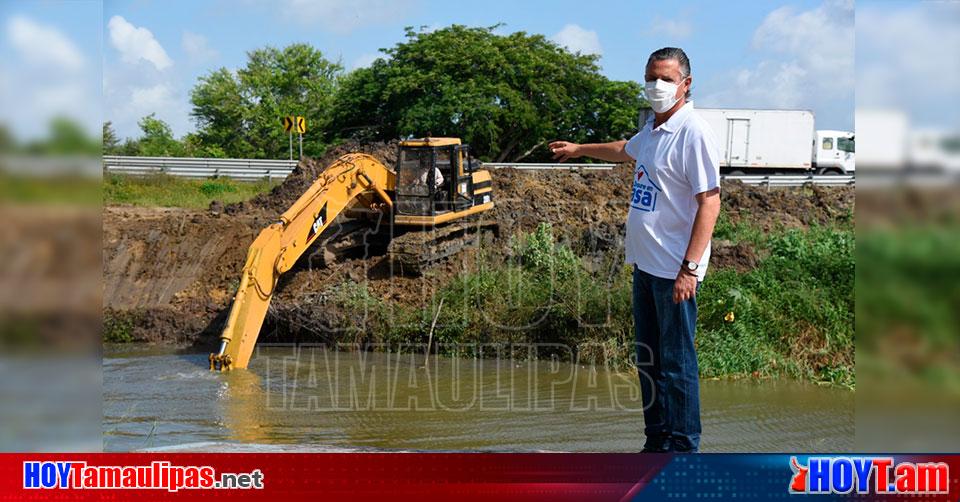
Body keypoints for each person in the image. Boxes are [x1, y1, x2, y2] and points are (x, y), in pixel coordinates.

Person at [549, 47, 721, 453]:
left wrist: (689, 269)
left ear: (685, 84)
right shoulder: (654, 132)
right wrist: (578, 149)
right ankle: (656, 440)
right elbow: (624, 148)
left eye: (665, 79)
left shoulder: (693, 133)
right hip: (645, 267)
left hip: (674, 271)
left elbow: (709, 202)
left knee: (677, 365)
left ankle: (682, 449)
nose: (656, 86)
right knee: (650, 361)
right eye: (651, 78)